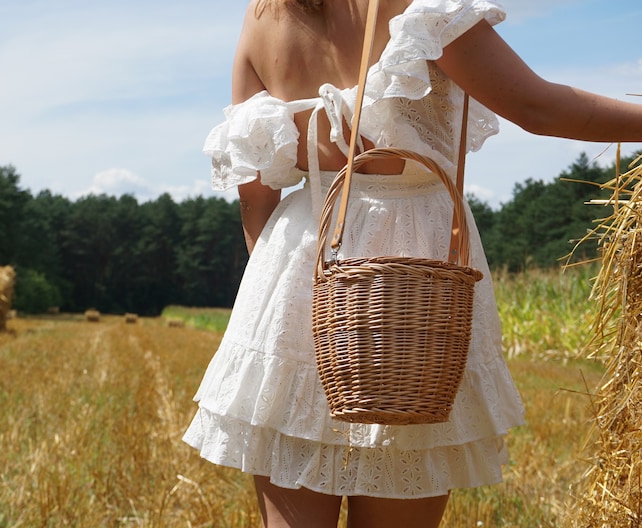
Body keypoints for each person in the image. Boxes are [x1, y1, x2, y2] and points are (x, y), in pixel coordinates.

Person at [182, 0, 642, 526]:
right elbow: (539, 108)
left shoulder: (263, 15)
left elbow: (256, 195)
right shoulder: (420, 6)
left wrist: (283, 305)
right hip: (414, 262)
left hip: (299, 265)